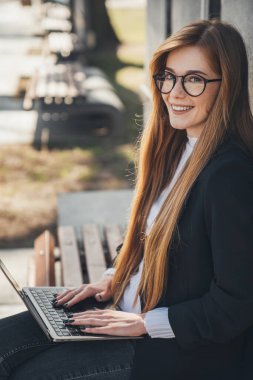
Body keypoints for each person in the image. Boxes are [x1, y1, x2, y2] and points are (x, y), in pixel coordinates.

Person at [1, 19, 253, 380]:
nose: (174, 92)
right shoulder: (176, 146)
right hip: (121, 309)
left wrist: (142, 323)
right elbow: (150, 235)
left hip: (175, 351)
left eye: (194, 79)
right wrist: (113, 277)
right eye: (168, 76)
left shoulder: (230, 175)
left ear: (225, 87)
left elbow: (236, 303)